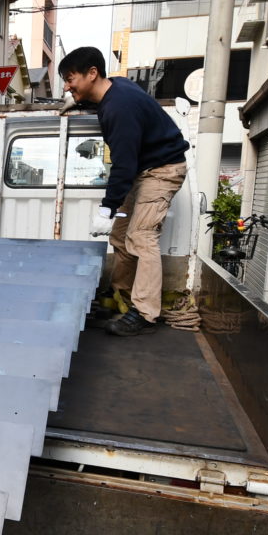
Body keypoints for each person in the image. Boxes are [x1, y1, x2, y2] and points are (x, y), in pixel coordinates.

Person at [59, 46, 189, 337]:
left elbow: (123, 165)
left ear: (92, 73)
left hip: (163, 170)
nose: (66, 86)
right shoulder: (116, 87)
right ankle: (121, 294)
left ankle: (145, 313)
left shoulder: (119, 108)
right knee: (120, 236)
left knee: (141, 236)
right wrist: (80, 101)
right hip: (145, 170)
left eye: (70, 79)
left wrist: (107, 208)